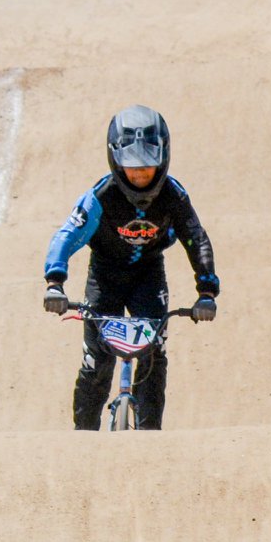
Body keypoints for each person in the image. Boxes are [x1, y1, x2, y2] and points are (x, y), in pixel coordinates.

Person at [43, 106, 218, 430]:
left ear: (163, 160)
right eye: (132, 169)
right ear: (115, 162)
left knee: (154, 358)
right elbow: (67, 235)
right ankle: (82, 443)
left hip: (148, 277)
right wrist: (55, 281)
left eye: (147, 169)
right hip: (105, 276)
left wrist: (206, 291)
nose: (140, 176)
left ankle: (150, 443)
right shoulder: (100, 196)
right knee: (96, 364)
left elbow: (195, 237)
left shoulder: (173, 196)